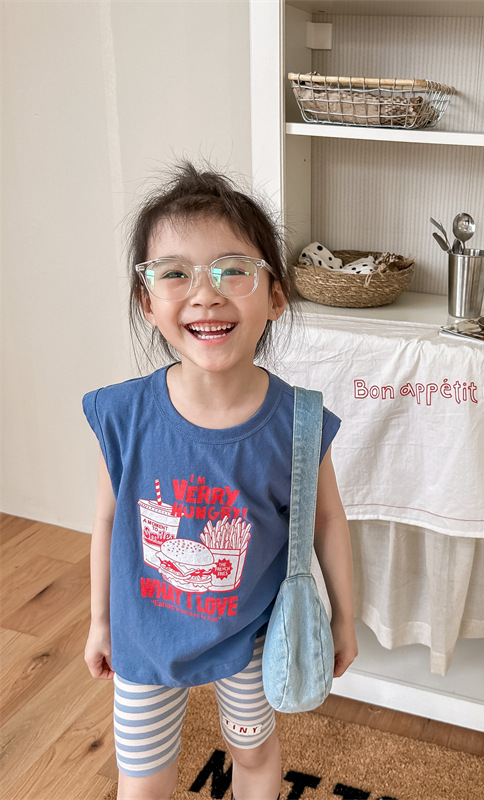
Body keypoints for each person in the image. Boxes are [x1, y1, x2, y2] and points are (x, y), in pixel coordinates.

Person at [82, 162, 358, 800]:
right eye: (174, 273)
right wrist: (100, 622)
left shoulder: (298, 423)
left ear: (276, 297)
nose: (205, 294)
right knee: (142, 775)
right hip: (146, 635)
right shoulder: (122, 416)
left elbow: (326, 520)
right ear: (147, 302)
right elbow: (107, 519)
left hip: (249, 634)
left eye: (234, 269)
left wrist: (345, 618)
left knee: (253, 752)